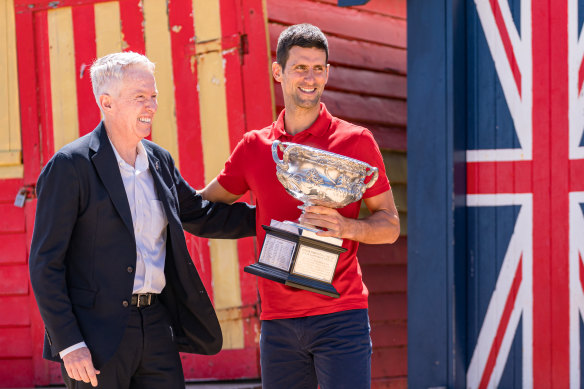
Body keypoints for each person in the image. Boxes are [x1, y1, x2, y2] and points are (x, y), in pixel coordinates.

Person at [28, 52, 256, 389]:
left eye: (153, 96)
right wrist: (69, 344)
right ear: (107, 103)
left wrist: (273, 216)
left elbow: (200, 214)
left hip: (155, 324)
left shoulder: (160, 161)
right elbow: (45, 263)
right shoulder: (70, 166)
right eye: (139, 97)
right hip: (94, 336)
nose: (151, 105)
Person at [200, 24, 400, 388]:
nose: (310, 78)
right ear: (278, 72)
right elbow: (205, 204)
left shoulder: (355, 141)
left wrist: (347, 227)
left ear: (327, 73)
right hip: (277, 322)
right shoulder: (254, 148)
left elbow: (389, 226)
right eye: (300, 67)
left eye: (318, 68)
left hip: (341, 315)